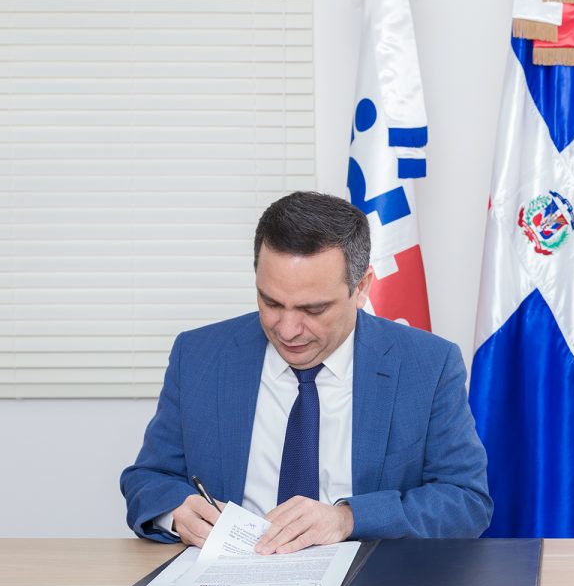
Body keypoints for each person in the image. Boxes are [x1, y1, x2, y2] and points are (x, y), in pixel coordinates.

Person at [121, 191, 492, 553]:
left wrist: (348, 519)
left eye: (313, 310)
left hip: (367, 581)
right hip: (226, 581)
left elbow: (466, 501)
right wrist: (177, 512)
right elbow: (148, 479)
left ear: (361, 288)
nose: (287, 330)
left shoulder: (427, 365)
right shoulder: (199, 356)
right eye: (271, 302)